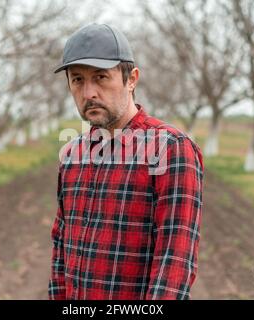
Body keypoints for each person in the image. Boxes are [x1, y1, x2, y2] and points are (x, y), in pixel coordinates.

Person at [49, 23, 204, 300]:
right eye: (78, 80)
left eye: (101, 77)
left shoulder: (170, 149)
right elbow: (61, 251)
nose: (88, 93)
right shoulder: (72, 155)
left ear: (131, 79)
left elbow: (175, 263)